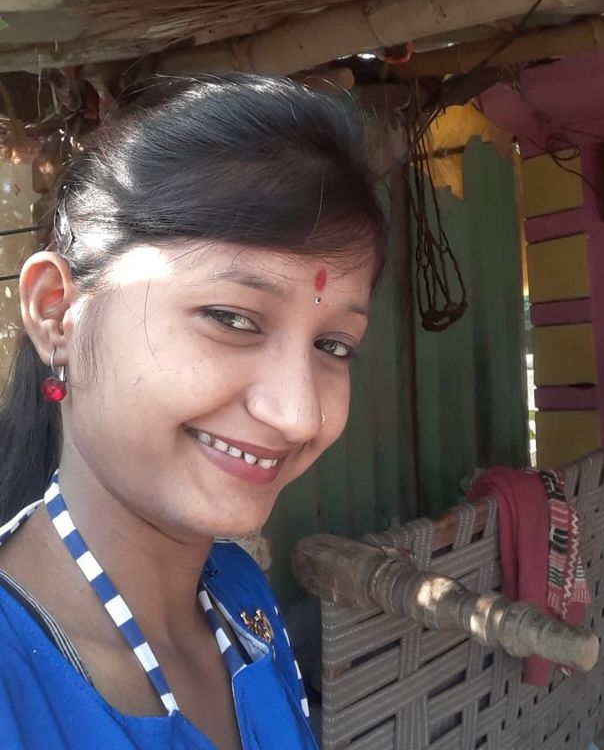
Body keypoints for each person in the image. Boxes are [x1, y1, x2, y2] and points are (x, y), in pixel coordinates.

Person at [0, 74, 387, 750]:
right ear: (57, 313)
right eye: (232, 318)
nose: (297, 415)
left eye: (333, 346)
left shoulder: (239, 598)